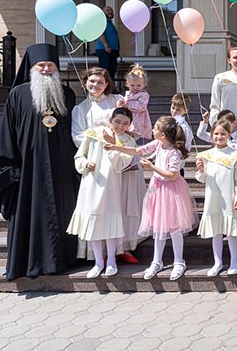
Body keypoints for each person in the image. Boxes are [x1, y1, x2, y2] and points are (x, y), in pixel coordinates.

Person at [0, 44, 79, 281]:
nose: (47, 69)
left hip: (61, 169)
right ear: (32, 68)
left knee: (63, 213)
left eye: (51, 65)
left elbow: (75, 132)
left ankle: (62, 261)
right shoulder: (18, 94)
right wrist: (10, 168)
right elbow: (6, 134)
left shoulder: (67, 94)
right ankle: (29, 263)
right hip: (29, 170)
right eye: (42, 65)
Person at [106, 116, 197, 281]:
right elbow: (137, 151)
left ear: (163, 135)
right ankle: (157, 261)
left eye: (155, 128)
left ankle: (179, 261)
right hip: (157, 189)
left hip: (171, 191)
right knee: (158, 227)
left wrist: (152, 166)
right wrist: (115, 147)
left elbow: (173, 175)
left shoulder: (174, 153)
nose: (152, 130)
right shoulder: (157, 144)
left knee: (174, 227)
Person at [72, 68, 142, 263]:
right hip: (97, 162)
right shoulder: (81, 109)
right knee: (101, 206)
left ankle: (123, 247)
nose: (95, 85)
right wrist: (96, 145)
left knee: (121, 203)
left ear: (107, 84)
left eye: (100, 82)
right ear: (85, 82)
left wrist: (119, 142)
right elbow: (78, 136)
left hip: (120, 159)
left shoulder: (117, 100)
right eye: (92, 81)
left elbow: (134, 125)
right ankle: (98, 253)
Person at [67, 107, 136, 278]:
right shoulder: (94, 133)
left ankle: (111, 260)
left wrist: (112, 145)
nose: (120, 126)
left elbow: (120, 165)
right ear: (111, 120)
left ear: (129, 125)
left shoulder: (128, 142)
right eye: (117, 121)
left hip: (112, 185)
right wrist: (85, 164)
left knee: (110, 223)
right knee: (93, 223)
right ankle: (98, 262)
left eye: (125, 123)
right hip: (91, 183)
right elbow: (79, 156)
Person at [195, 118, 237, 277]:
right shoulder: (206, 155)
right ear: (211, 135)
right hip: (213, 198)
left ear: (229, 135)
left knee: (231, 232)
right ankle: (218, 262)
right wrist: (201, 170)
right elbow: (202, 179)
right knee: (216, 231)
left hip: (229, 197)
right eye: (216, 133)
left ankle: (235, 260)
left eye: (223, 134)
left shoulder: (235, 155)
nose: (219, 137)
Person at [116, 64, 152, 141]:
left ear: (144, 85)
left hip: (138, 120)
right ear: (127, 84)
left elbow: (141, 106)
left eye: (138, 85)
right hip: (127, 118)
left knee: (135, 137)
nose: (135, 88)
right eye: (132, 85)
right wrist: (121, 104)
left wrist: (127, 104)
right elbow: (124, 107)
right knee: (126, 137)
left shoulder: (143, 95)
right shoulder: (128, 94)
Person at [96, 5, 120, 81]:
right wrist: (106, 46)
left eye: (111, 10)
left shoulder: (110, 23)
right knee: (105, 72)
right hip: (104, 50)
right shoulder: (102, 22)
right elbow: (100, 34)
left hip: (112, 51)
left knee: (112, 71)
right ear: (103, 13)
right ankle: (104, 89)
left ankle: (111, 89)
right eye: (108, 10)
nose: (110, 12)